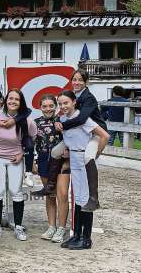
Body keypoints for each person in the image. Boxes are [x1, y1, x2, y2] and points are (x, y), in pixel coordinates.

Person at [39, 69, 107, 212]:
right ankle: (50, 185)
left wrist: (62, 125)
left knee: (89, 157)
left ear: (86, 82)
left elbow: (82, 119)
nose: (76, 82)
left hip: (94, 132)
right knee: (56, 152)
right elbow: (62, 112)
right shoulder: (73, 95)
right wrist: (57, 120)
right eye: (74, 79)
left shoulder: (88, 97)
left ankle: (94, 198)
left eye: (80, 80)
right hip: (79, 132)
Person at [0, 89, 37, 241]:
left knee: (16, 191)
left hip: (15, 157)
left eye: (17, 99)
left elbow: (32, 138)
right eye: (10, 98)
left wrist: (23, 153)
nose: (13, 101)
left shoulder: (26, 120)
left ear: (21, 103)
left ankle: (18, 226)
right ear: (5, 100)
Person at [57, 90, 109, 249]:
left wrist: (95, 155)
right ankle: (76, 235)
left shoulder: (84, 119)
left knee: (86, 199)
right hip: (73, 159)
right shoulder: (63, 119)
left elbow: (104, 136)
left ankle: (86, 238)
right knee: (78, 198)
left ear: (73, 102)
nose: (63, 106)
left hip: (84, 159)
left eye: (66, 103)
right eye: (60, 103)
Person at [34, 94, 68, 243]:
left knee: (62, 194)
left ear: (56, 106)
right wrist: (33, 162)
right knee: (50, 194)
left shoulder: (63, 120)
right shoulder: (35, 123)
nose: (48, 109)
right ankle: (51, 226)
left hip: (61, 161)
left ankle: (61, 228)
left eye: (51, 106)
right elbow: (29, 144)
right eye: (44, 106)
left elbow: (72, 139)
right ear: (40, 107)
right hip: (43, 160)